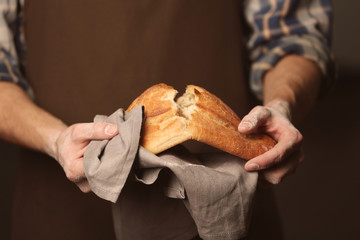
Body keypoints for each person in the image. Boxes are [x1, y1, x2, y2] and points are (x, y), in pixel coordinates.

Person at [0, 0, 334, 239]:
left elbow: (294, 37)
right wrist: (55, 140)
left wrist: (282, 103)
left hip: (224, 208)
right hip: (58, 215)